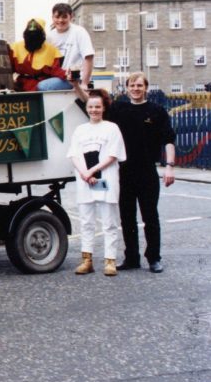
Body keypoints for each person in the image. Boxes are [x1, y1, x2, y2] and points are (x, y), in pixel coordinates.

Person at [74, 72, 176, 273]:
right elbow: (91, 103)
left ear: (145, 87)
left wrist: (170, 166)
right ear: (127, 87)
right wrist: (75, 85)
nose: (136, 89)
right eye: (132, 85)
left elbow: (169, 139)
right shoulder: (119, 109)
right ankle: (132, 258)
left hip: (147, 172)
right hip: (124, 173)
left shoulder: (156, 111)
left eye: (139, 85)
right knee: (127, 217)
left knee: (150, 217)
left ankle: (154, 258)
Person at [66, 89, 127, 276]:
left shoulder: (111, 128)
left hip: (105, 180)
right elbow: (74, 154)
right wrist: (85, 174)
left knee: (109, 223)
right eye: (91, 106)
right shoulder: (80, 130)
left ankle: (110, 261)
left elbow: (113, 155)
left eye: (97, 107)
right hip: (86, 182)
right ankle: (87, 260)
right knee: (86, 223)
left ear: (103, 107)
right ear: (86, 108)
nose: (94, 110)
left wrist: (93, 171)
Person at [42, 2, 95, 90]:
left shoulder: (79, 32)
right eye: (57, 17)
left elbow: (89, 57)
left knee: (42, 87)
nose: (60, 20)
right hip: (58, 77)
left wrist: (84, 83)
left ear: (71, 17)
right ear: (52, 18)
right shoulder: (49, 37)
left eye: (64, 17)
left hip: (75, 78)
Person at [9, 17, 67, 92]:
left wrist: (67, 75)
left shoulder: (51, 50)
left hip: (40, 88)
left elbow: (56, 70)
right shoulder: (15, 48)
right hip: (20, 86)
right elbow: (7, 69)